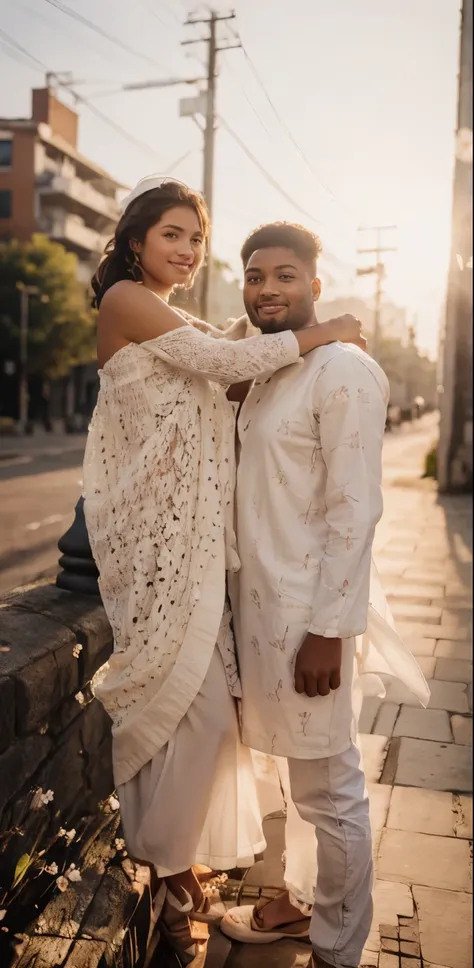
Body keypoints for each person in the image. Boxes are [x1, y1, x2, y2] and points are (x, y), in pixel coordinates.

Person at [82, 176, 366, 964]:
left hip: (199, 551)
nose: (185, 250)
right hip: (152, 546)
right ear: (137, 240)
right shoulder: (127, 303)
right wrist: (329, 326)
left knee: (209, 717)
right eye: (172, 233)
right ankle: (171, 873)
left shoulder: (173, 315)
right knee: (190, 713)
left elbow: (238, 367)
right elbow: (221, 359)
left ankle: (179, 864)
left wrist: (296, 325)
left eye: (195, 240)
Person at [220, 222, 429, 968]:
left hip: (307, 618)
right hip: (258, 612)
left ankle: (340, 945)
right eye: (253, 276)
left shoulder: (342, 369)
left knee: (330, 787)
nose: (266, 290)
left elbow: (356, 510)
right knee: (287, 771)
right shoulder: (274, 366)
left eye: (283, 276)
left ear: (315, 284)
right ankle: (290, 904)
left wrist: (329, 630)